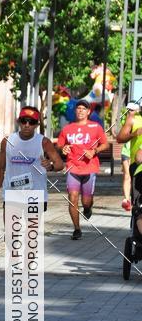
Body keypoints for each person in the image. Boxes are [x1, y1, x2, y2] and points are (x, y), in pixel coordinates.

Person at [0, 105, 63, 215]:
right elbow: (0, 168)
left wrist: (50, 166)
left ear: (37, 124)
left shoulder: (44, 142)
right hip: (12, 194)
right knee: (13, 232)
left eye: (31, 122)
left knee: (32, 232)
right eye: (24, 121)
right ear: (19, 121)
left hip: (35, 195)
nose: (27, 125)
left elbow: (60, 164)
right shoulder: (7, 141)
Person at [55, 98, 110, 240]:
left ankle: (87, 208)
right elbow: (59, 145)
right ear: (75, 111)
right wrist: (63, 148)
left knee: (86, 201)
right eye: (78, 108)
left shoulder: (96, 127)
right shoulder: (67, 128)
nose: (80, 110)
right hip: (72, 167)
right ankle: (77, 229)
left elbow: (105, 144)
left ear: (88, 112)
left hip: (90, 168)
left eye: (84, 108)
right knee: (72, 198)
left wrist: (94, 151)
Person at [116, 104, 142, 238]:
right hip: (137, 166)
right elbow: (119, 138)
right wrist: (133, 134)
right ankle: (137, 234)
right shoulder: (133, 119)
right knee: (138, 203)